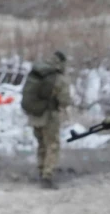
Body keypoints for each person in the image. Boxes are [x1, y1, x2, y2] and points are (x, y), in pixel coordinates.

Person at [22, 50, 72, 189]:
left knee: (41, 144)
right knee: (52, 145)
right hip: (49, 116)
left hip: (34, 115)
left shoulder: (37, 72)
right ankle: (47, 176)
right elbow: (65, 100)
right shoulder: (58, 78)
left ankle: (41, 169)